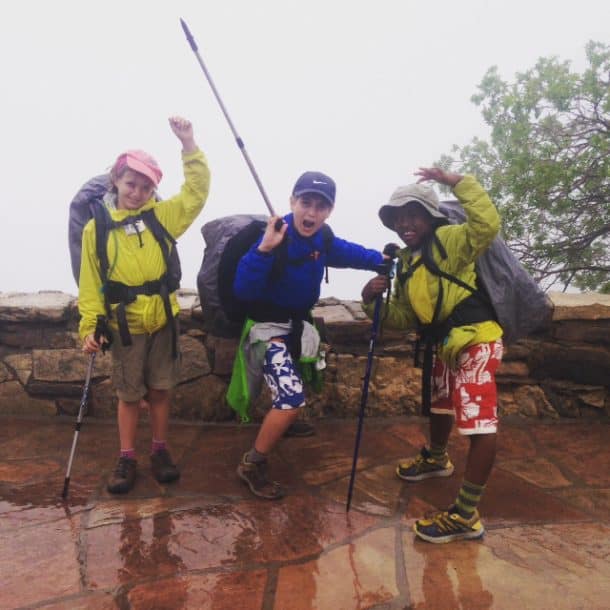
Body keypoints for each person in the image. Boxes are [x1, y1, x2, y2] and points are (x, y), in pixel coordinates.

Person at [361, 167, 503, 543]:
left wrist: (457, 181)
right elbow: (404, 318)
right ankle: (437, 458)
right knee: (441, 404)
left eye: (413, 214)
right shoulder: (407, 263)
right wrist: (370, 301)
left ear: (430, 216)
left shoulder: (450, 240)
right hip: (444, 344)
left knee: (478, 424)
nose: (404, 223)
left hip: (475, 339)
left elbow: (486, 224)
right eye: (397, 217)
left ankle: (466, 515)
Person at [230, 171, 387, 500]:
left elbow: (347, 252)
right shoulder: (273, 235)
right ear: (292, 202)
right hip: (267, 329)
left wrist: (381, 262)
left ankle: (284, 424)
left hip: (298, 326)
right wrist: (263, 250)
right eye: (305, 203)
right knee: (290, 397)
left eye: (320, 206)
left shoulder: (323, 238)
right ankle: (251, 463)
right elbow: (243, 289)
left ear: (329, 211)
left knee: (297, 381)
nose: (311, 213)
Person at [79, 116, 211, 494]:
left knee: (160, 391)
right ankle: (126, 457)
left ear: (154, 188)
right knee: (128, 395)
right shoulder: (96, 230)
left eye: (146, 185)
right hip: (125, 325)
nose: (137, 192)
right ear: (116, 181)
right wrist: (89, 326)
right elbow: (90, 283)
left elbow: (196, 193)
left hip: (163, 322)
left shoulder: (162, 217)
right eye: (131, 183)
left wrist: (189, 145)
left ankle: (159, 450)